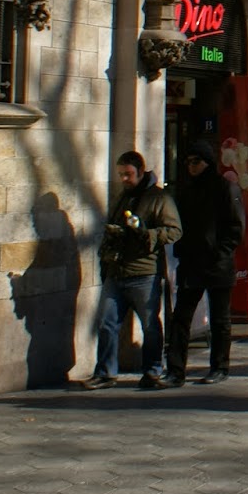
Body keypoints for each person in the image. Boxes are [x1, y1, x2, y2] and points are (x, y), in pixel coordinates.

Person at [80, 151, 182, 390]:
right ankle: (105, 372)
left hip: (144, 272)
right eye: (120, 175)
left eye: (128, 174)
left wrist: (148, 234)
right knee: (107, 322)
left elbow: (175, 230)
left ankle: (152, 371)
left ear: (140, 171)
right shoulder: (122, 197)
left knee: (150, 326)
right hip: (117, 271)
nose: (124, 179)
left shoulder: (159, 198)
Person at [165, 141, 245, 387]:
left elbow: (236, 227)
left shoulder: (225, 188)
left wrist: (221, 252)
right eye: (188, 162)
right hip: (191, 263)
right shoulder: (186, 190)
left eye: (196, 162)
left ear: (207, 162)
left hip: (217, 264)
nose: (191, 166)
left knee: (220, 319)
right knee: (180, 318)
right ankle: (175, 370)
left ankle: (220, 367)